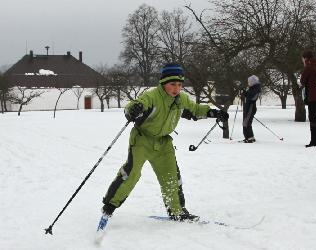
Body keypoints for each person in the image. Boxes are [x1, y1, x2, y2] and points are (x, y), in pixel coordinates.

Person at [98, 63, 229, 230]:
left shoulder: (181, 99)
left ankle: (177, 211)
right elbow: (135, 105)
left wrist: (214, 112)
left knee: (171, 178)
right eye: (172, 84)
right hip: (142, 140)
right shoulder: (152, 96)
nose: (176, 88)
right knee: (132, 173)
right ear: (163, 83)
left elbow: (194, 110)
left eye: (180, 85)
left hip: (163, 142)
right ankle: (110, 205)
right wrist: (133, 109)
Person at [300, 51, 316, 147]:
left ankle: (314, 141)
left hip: (312, 96)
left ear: (305, 58)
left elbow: (302, 80)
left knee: (313, 118)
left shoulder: (308, 67)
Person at [241, 75, 261, 143]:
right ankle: (248, 137)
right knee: (246, 122)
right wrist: (244, 93)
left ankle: (250, 138)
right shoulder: (252, 88)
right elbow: (249, 95)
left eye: (249, 81)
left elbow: (252, 97)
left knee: (246, 123)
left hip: (251, 107)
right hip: (248, 107)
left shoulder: (256, 88)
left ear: (253, 82)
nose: (248, 83)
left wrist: (246, 94)